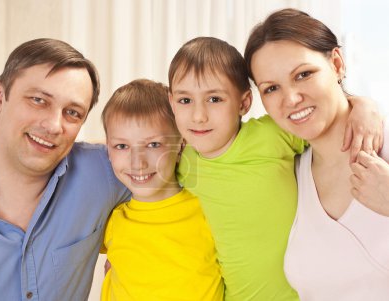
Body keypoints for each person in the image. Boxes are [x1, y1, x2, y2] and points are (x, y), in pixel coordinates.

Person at [168, 37, 383, 300]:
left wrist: (364, 107)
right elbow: (128, 160)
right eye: (185, 101)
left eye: (214, 99)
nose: (198, 116)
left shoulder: (271, 135)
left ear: (244, 103)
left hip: (308, 291)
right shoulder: (179, 162)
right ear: (171, 102)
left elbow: (325, 119)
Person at [0, 38, 130, 301]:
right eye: (39, 100)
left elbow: (177, 151)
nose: (54, 126)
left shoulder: (104, 175)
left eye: (72, 113)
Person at [245, 8, 389, 301]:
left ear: (337, 64)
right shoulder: (290, 172)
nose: (291, 99)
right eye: (271, 88)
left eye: (304, 74)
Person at [99, 79, 223, 300]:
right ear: (108, 150)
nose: (138, 163)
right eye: (122, 146)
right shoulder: (110, 219)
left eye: (153, 144)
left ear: (181, 145)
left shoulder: (209, 209)